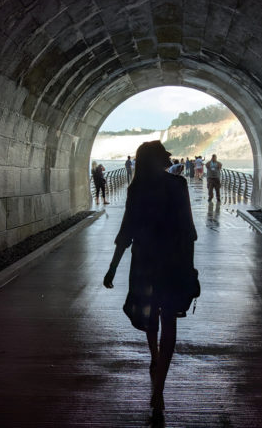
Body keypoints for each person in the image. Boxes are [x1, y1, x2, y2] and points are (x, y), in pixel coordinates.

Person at [103, 141, 198, 420]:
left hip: (144, 262)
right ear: (159, 160)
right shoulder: (178, 186)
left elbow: (126, 232)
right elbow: (189, 232)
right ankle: (159, 387)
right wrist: (189, 268)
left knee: (151, 314)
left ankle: (154, 358)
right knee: (169, 319)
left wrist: (112, 268)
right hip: (173, 263)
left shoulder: (137, 188)